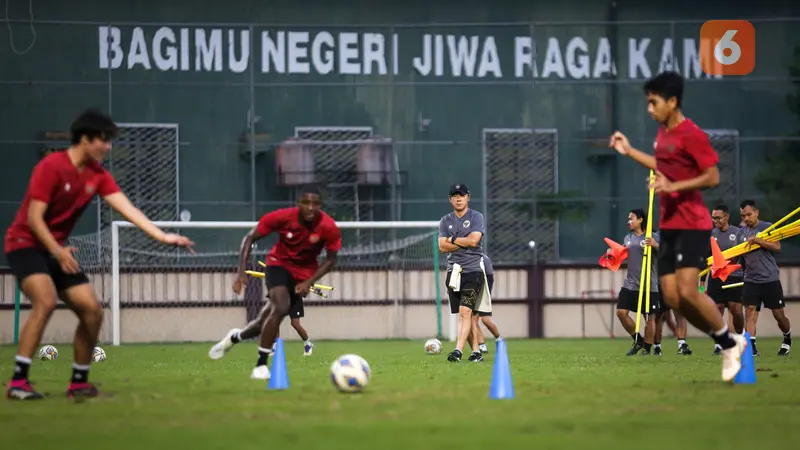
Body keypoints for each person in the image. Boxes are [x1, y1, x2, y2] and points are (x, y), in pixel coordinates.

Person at [5, 109, 195, 400]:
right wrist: (56, 250)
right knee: (45, 300)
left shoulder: (97, 175)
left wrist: (163, 236)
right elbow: (33, 218)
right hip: (25, 245)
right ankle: (18, 383)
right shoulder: (51, 167)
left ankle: (78, 383)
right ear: (84, 139)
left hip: (57, 251)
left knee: (92, 311)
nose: (107, 147)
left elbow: (128, 209)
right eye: (103, 141)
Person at [609, 71, 746, 382]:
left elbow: (712, 177)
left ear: (672, 101)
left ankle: (728, 344)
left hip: (692, 223)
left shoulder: (691, 134)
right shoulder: (663, 135)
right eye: (647, 103)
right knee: (671, 297)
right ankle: (727, 342)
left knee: (687, 290)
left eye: (653, 102)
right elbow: (663, 167)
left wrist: (675, 187)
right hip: (669, 225)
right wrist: (629, 152)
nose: (649, 109)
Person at [208, 185, 341, 379]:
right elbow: (250, 238)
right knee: (281, 306)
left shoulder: (328, 227)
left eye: (315, 203)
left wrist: (309, 282)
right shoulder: (282, 217)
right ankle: (260, 366)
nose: (310, 207)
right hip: (278, 264)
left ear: (321, 205)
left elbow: (331, 260)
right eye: (305, 202)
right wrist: (241, 272)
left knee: (265, 320)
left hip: (304, 275)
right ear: (298, 204)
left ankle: (234, 338)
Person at [438, 183, 489, 363]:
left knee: (466, 312)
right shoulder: (445, 221)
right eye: (455, 195)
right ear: (450, 199)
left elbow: (474, 241)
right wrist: (462, 240)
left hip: (472, 270)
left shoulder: (476, 217)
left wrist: (452, 239)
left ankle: (458, 351)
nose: (458, 198)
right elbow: (442, 247)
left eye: (462, 195)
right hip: (454, 272)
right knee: (463, 314)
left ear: (468, 197)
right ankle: (476, 352)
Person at [738, 200, 791, 356]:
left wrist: (758, 240)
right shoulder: (742, 232)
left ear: (756, 213)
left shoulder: (767, 227)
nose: (746, 218)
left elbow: (777, 247)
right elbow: (740, 256)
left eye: (748, 214)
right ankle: (752, 347)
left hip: (769, 278)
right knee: (750, 311)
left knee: (778, 314)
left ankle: (787, 337)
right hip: (750, 279)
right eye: (743, 216)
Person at [614, 209, 662, 356]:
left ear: (640, 220)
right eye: (628, 219)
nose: (629, 222)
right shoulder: (628, 238)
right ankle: (638, 340)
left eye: (631, 219)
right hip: (631, 284)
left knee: (649, 318)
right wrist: (613, 252)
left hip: (648, 285)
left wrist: (656, 245)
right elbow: (621, 254)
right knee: (621, 313)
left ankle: (647, 349)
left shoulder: (653, 237)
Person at [708, 204, 745, 355]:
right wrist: (702, 286)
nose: (715, 221)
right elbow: (707, 258)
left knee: (736, 309)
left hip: (734, 276)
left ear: (727, 217)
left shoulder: (737, 233)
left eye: (718, 218)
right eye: (713, 218)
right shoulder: (710, 234)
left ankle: (740, 336)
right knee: (716, 310)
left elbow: (743, 254)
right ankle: (719, 343)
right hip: (716, 277)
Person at [471, 253, 502, 354]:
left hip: (483, 289)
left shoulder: (483, 259)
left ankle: (498, 338)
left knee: (485, 320)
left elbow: (489, 278)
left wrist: (484, 294)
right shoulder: (466, 257)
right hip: (473, 288)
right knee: (473, 318)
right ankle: (481, 345)